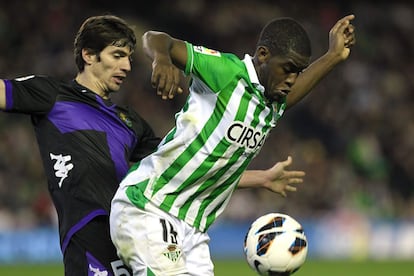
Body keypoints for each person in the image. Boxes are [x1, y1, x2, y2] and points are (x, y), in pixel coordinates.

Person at [0, 14, 306, 275]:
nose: (127, 67)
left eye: (130, 59)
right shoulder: (53, 95)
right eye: (117, 56)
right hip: (87, 230)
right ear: (88, 55)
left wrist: (260, 178)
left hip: (135, 223)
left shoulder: (130, 122)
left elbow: (185, 169)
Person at [109, 14, 356, 275]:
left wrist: (333, 56)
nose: (292, 79)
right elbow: (157, 39)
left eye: (298, 72)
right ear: (262, 55)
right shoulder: (227, 73)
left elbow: (288, 97)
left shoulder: (270, 103)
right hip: (149, 207)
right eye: (288, 69)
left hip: (193, 230)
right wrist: (162, 59)